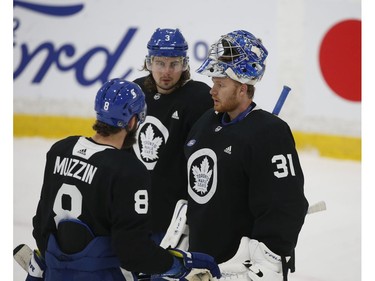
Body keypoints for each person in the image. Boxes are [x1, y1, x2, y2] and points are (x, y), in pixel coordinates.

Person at [26, 78, 221, 281]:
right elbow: (133, 253)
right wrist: (180, 266)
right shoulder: (128, 170)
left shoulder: (61, 150)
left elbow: (41, 225)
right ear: (132, 121)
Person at [183, 30, 309, 281]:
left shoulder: (269, 132)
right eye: (213, 83)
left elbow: (287, 205)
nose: (212, 91)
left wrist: (270, 259)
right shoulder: (206, 122)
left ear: (242, 88)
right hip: (201, 262)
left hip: (242, 268)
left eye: (220, 84)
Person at [132, 28, 213, 243]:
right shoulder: (136, 91)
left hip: (175, 215)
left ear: (184, 64)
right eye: (160, 63)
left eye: (174, 64)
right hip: (133, 208)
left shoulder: (199, 98)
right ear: (149, 62)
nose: (166, 72)